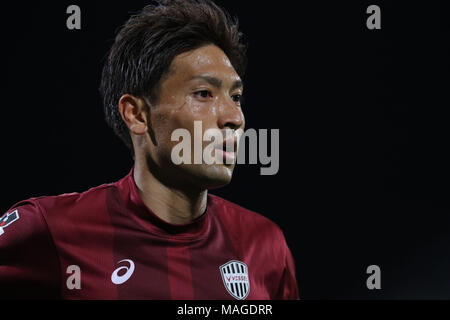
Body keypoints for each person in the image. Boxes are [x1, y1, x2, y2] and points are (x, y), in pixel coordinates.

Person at [0, 0, 298, 299]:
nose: (234, 117)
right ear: (137, 114)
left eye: (236, 96)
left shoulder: (264, 245)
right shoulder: (47, 230)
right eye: (204, 93)